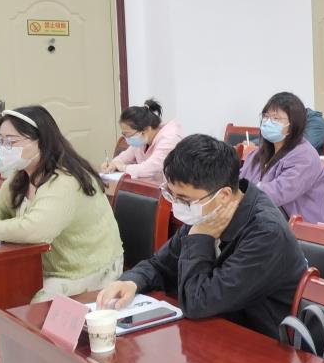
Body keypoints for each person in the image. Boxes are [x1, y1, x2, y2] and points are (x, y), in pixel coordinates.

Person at [96, 134, 306, 338]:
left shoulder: (265, 233)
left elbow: (197, 302)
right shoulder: (207, 208)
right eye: (171, 195)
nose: (176, 205)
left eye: (184, 199)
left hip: (260, 342)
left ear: (223, 195)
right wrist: (132, 282)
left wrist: (200, 238)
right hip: (214, 330)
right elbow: (160, 264)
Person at [0, 107, 123, 300]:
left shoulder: (64, 180)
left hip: (85, 269)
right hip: (43, 265)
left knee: (30, 304)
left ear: (41, 141)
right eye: (1, 141)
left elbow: (35, 229)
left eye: (11, 142)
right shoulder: (23, 173)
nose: (4, 149)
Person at [240, 92, 324, 222]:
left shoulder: (304, 156)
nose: (268, 122)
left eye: (276, 118)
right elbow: (240, 179)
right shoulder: (258, 153)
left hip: (303, 228)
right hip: (266, 220)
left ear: (293, 124)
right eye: (266, 117)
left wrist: (239, 194)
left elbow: (277, 193)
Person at [101, 99, 182, 186]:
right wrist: (112, 164)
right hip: (148, 186)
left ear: (146, 129)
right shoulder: (142, 138)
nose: (126, 139)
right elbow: (125, 157)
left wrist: (123, 167)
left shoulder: (170, 138)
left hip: (172, 190)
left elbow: (149, 168)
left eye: (128, 134)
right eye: (124, 134)